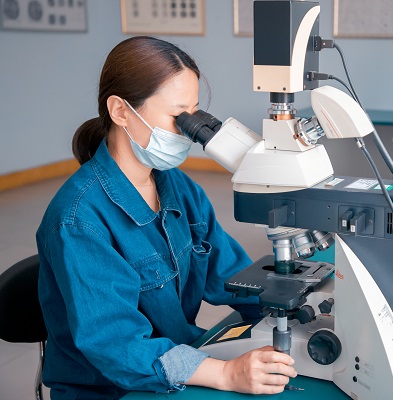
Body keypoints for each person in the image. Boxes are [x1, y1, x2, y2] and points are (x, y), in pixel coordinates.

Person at [36, 36, 297, 399]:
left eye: (193, 113)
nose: (188, 130)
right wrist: (225, 373)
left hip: (178, 365)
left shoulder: (177, 187)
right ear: (121, 111)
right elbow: (117, 344)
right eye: (178, 115)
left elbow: (233, 276)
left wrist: (289, 308)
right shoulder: (79, 219)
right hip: (112, 388)